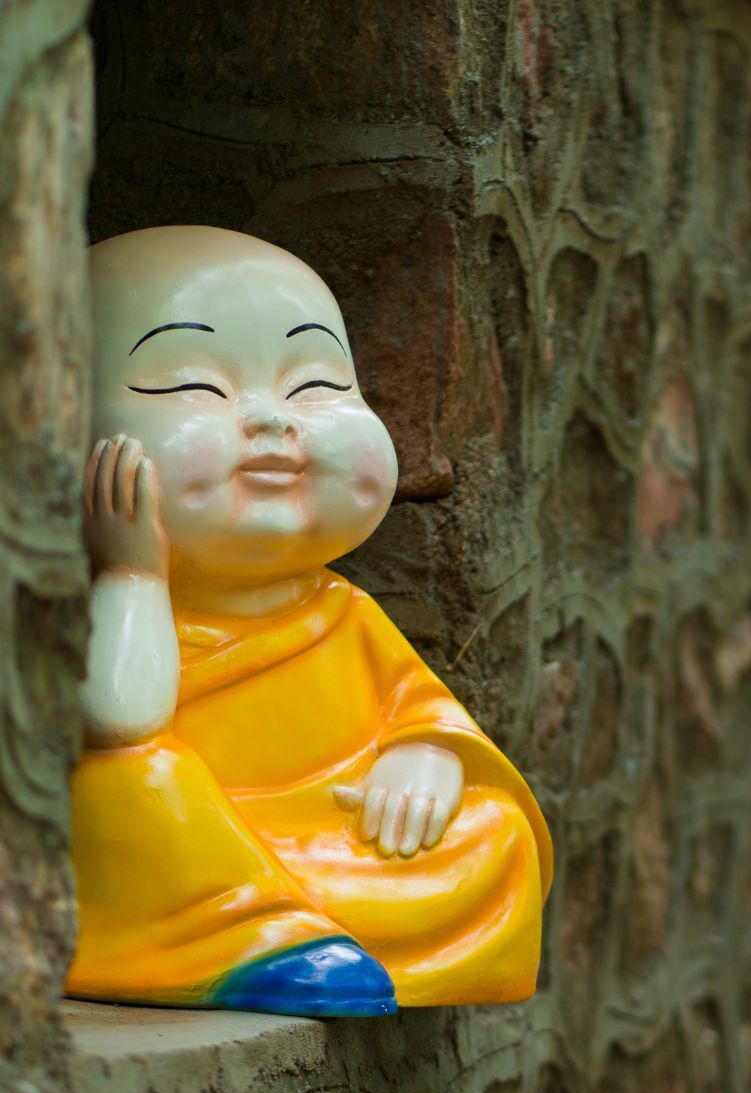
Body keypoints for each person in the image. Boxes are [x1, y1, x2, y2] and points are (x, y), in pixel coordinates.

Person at [68, 226, 551, 1015]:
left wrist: (423, 762)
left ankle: (286, 924)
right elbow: (119, 715)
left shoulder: (340, 610)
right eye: (191, 388)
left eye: (317, 386)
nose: (270, 421)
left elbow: (418, 713)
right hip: (175, 844)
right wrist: (130, 572)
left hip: (317, 833)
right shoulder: (77, 601)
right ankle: (246, 942)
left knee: (495, 832)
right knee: (126, 781)